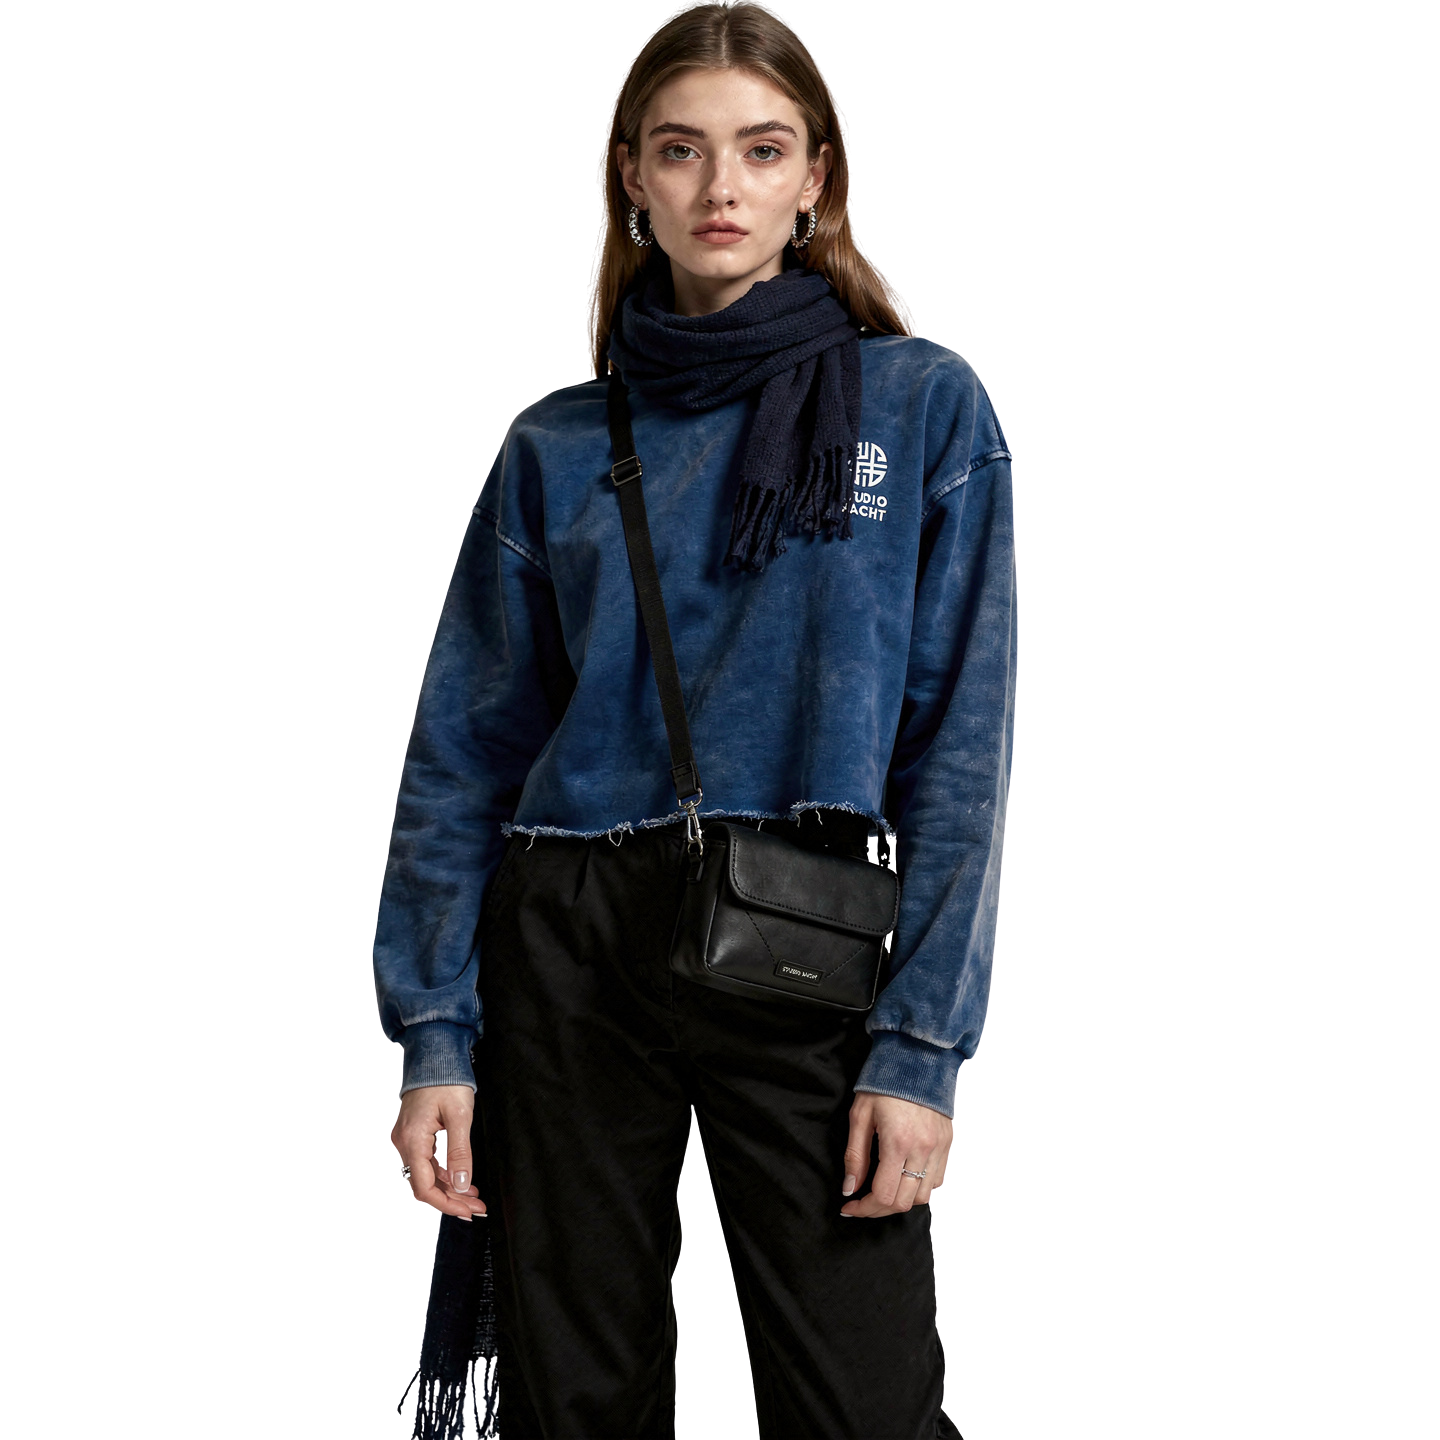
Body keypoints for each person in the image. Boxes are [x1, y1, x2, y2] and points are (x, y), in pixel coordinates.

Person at [376, 3, 1016, 1436]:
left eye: (762, 148)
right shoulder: (553, 441)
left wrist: (922, 1051)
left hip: (806, 939)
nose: (720, 186)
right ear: (631, 175)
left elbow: (961, 749)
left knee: (863, 1407)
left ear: (818, 178)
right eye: (681, 150)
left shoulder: (920, 405)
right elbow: (459, 756)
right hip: (571, 948)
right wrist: (435, 1035)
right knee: (575, 1402)